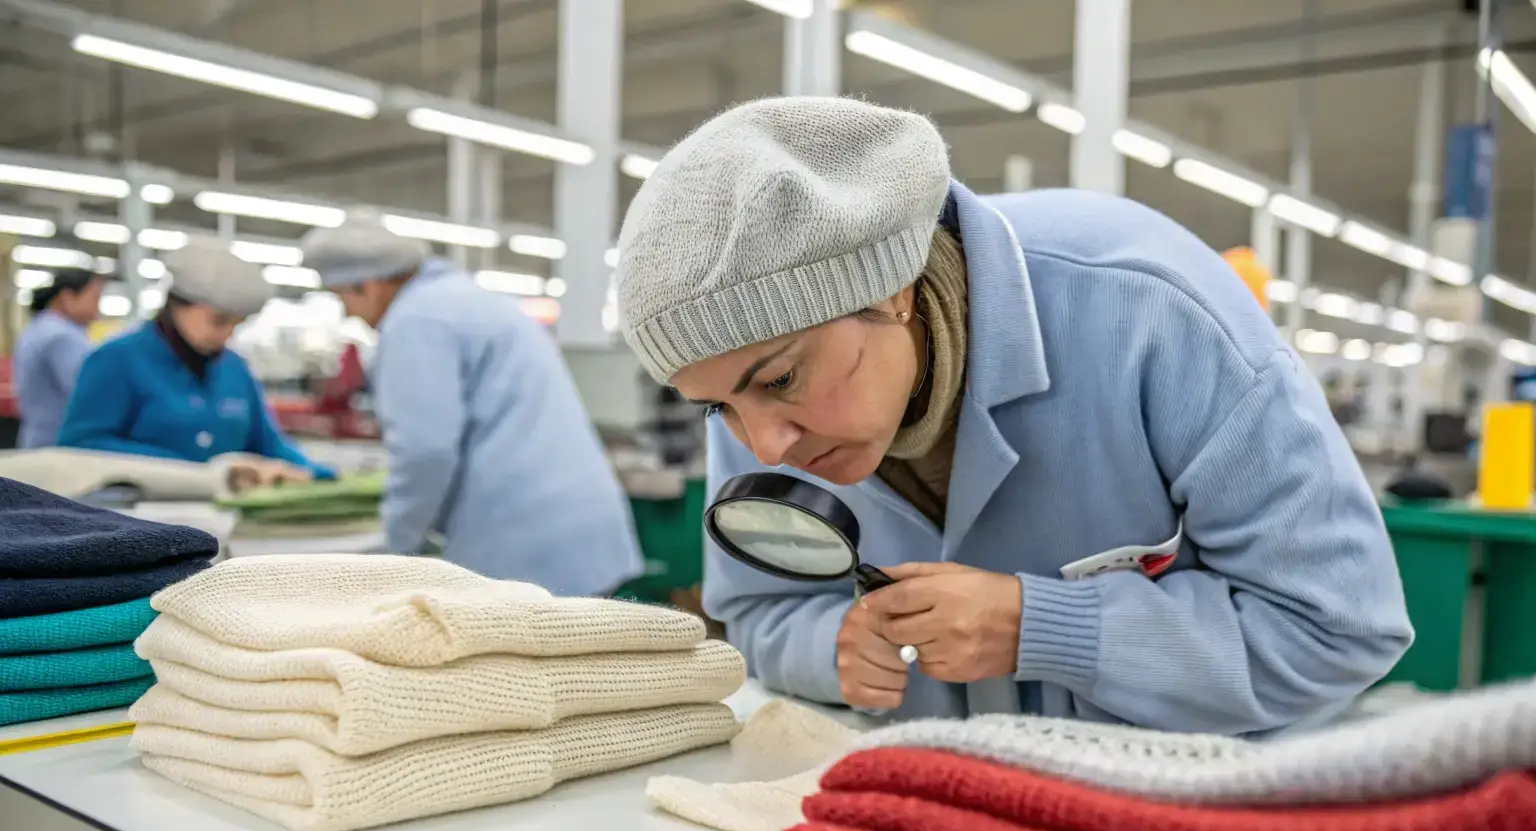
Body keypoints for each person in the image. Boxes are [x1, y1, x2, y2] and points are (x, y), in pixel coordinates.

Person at [614, 96, 1413, 734]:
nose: (765, 447)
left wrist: (1050, 627)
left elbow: (1340, 629)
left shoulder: (1148, 311)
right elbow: (757, 610)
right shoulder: (758, 398)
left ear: (892, 285)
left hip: (1175, 819)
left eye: (783, 379)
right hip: (933, 817)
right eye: (719, 405)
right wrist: (834, 650)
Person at [300, 212, 643, 596]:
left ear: (370, 284)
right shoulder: (468, 299)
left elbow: (424, 451)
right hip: (580, 527)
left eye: (341, 297)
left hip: (523, 542)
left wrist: (395, 551)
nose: (347, 313)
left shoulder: (415, 320)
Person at [59, 237, 333, 486]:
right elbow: (81, 444)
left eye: (237, 325)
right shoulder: (115, 361)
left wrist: (316, 473)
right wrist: (196, 469)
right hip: (139, 520)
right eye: (219, 321)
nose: (226, 335)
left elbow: (267, 442)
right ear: (178, 304)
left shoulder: (234, 368)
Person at [14, 268, 102, 448]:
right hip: (58, 446)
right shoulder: (63, 336)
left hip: (36, 441)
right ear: (68, 297)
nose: (97, 309)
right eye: (95, 299)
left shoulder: (38, 328)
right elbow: (89, 392)